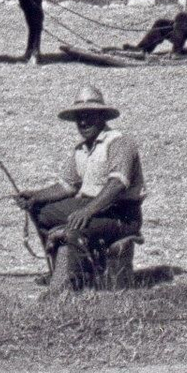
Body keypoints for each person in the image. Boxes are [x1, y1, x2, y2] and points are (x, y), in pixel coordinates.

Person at [15, 86, 145, 295]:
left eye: (89, 116)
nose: (83, 123)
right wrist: (35, 196)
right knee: (40, 211)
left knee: (76, 228)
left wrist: (87, 211)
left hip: (121, 214)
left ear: (102, 116)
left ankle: (75, 285)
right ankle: (58, 270)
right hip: (92, 207)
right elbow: (67, 185)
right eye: (79, 118)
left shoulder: (120, 142)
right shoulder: (81, 149)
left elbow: (117, 184)